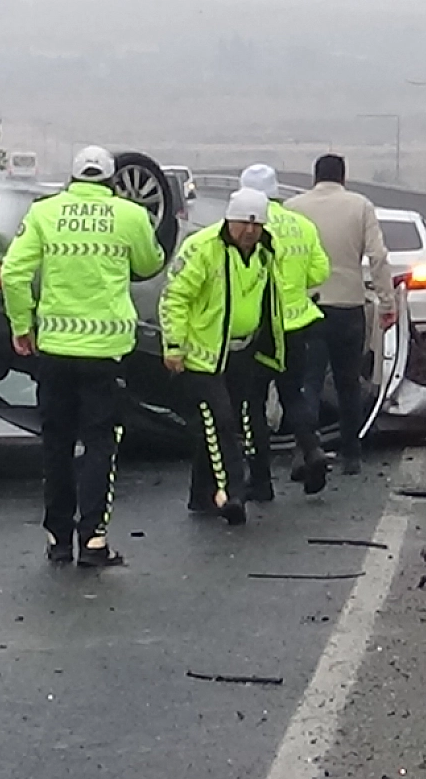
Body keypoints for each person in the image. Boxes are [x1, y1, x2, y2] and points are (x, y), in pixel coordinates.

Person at [1, 146, 165, 567]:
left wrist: (22, 326)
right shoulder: (129, 216)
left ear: (72, 179)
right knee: (99, 445)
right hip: (106, 353)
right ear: (110, 181)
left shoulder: (44, 212)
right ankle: (93, 539)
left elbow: (14, 273)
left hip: (54, 350)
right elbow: (149, 264)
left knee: (55, 444)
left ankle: (58, 538)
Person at [160, 188, 287, 526]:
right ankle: (233, 492)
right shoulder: (202, 249)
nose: (249, 232)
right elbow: (175, 297)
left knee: (217, 425)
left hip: (241, 351)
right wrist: (174, 346)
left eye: (256, 225)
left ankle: (200, 495)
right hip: (203, 356)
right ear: (229, 221)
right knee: (222, 422)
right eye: (243, 224)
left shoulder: (264, 252)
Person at [285, 154, 397, 475]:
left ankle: (304, 450)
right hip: (349, 306)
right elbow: (378, 257)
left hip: (306, 309)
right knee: (348, 382)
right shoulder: (360, 206)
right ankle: (351, 454)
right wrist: (387, 304)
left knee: (309, 383)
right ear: (343, 178)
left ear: (314, 177)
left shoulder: (294, 208)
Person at [239, 163, 331, 498]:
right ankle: (312, 449)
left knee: (254, 403)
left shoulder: (248, 227)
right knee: (293, 394)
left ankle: (260, 480)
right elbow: (320, 271)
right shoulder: (302, 225)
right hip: (298, 324)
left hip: (260, 329)